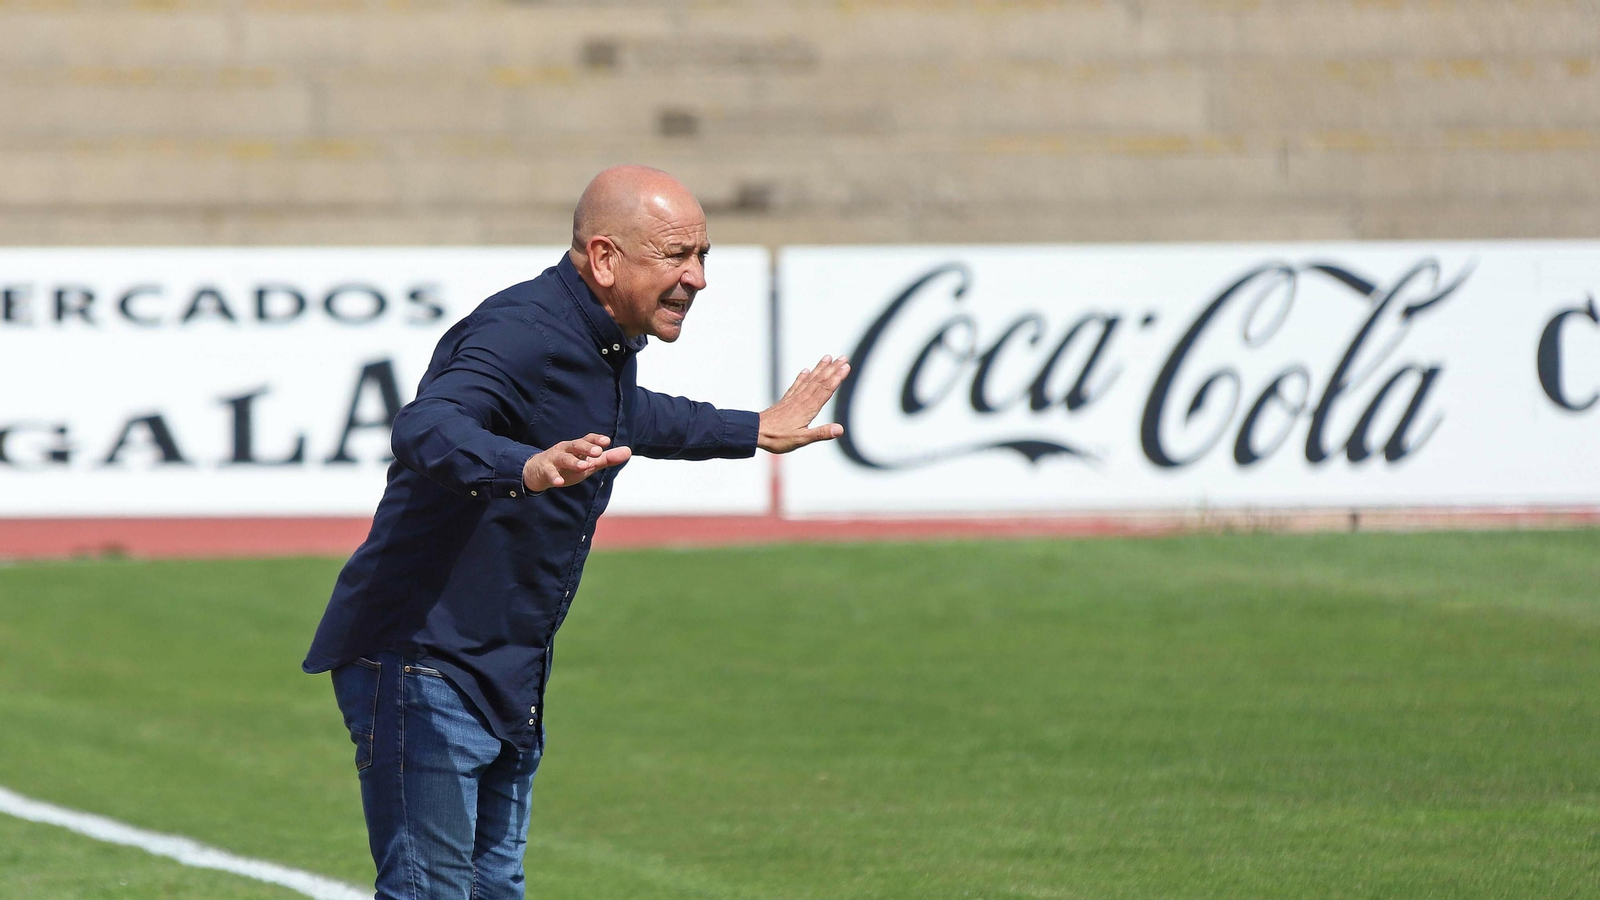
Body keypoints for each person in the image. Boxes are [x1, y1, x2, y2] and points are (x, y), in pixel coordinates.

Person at [301, 165, 849, 900]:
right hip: (420, 659)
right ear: (604, 257)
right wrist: (521, 465)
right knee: (433, 891)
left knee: (495, 888)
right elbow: (425, 425)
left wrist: (753, 429)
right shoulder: (520, 330)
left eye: (703, 256)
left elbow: (637, 416)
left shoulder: (600, 346)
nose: (697, 279)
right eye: (677, 256)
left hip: (501, 668)